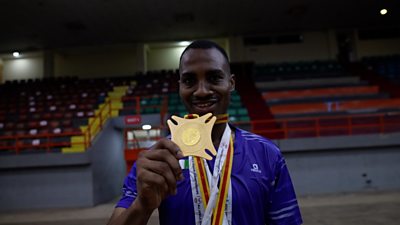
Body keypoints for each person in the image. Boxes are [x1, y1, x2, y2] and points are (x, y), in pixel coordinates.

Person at [107, 40, 303, 225]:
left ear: (231, 83)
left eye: (214, 78)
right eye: (190, 81)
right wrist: (142, 205)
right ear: (180, 87)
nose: (201, 91)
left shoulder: (267, 153)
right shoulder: (157, 160)